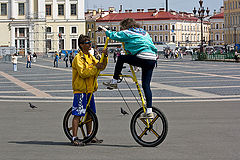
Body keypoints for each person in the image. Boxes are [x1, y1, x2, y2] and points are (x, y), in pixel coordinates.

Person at [99, 18, 157, 119]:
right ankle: (149, 111)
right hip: (152, 58)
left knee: (121, 58)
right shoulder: (144, 32)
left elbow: (113, 35)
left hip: (142, 57)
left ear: (125, 26)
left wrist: (104, 29)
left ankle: (114, 81)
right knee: (146, 85)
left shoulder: (127, 32)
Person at [71, 34, 108, 146]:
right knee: (78, 114)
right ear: (82, 45)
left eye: (90, 42)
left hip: (90, 90)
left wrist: (104, 57)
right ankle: (74, 137)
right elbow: (83, 73)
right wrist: (95, 68)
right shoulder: (78, 58)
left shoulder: (90, 57)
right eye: (87, 43)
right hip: (81, 90)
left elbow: (100, 66)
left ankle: (89, 135)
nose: (90, 44)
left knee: (90, 115)